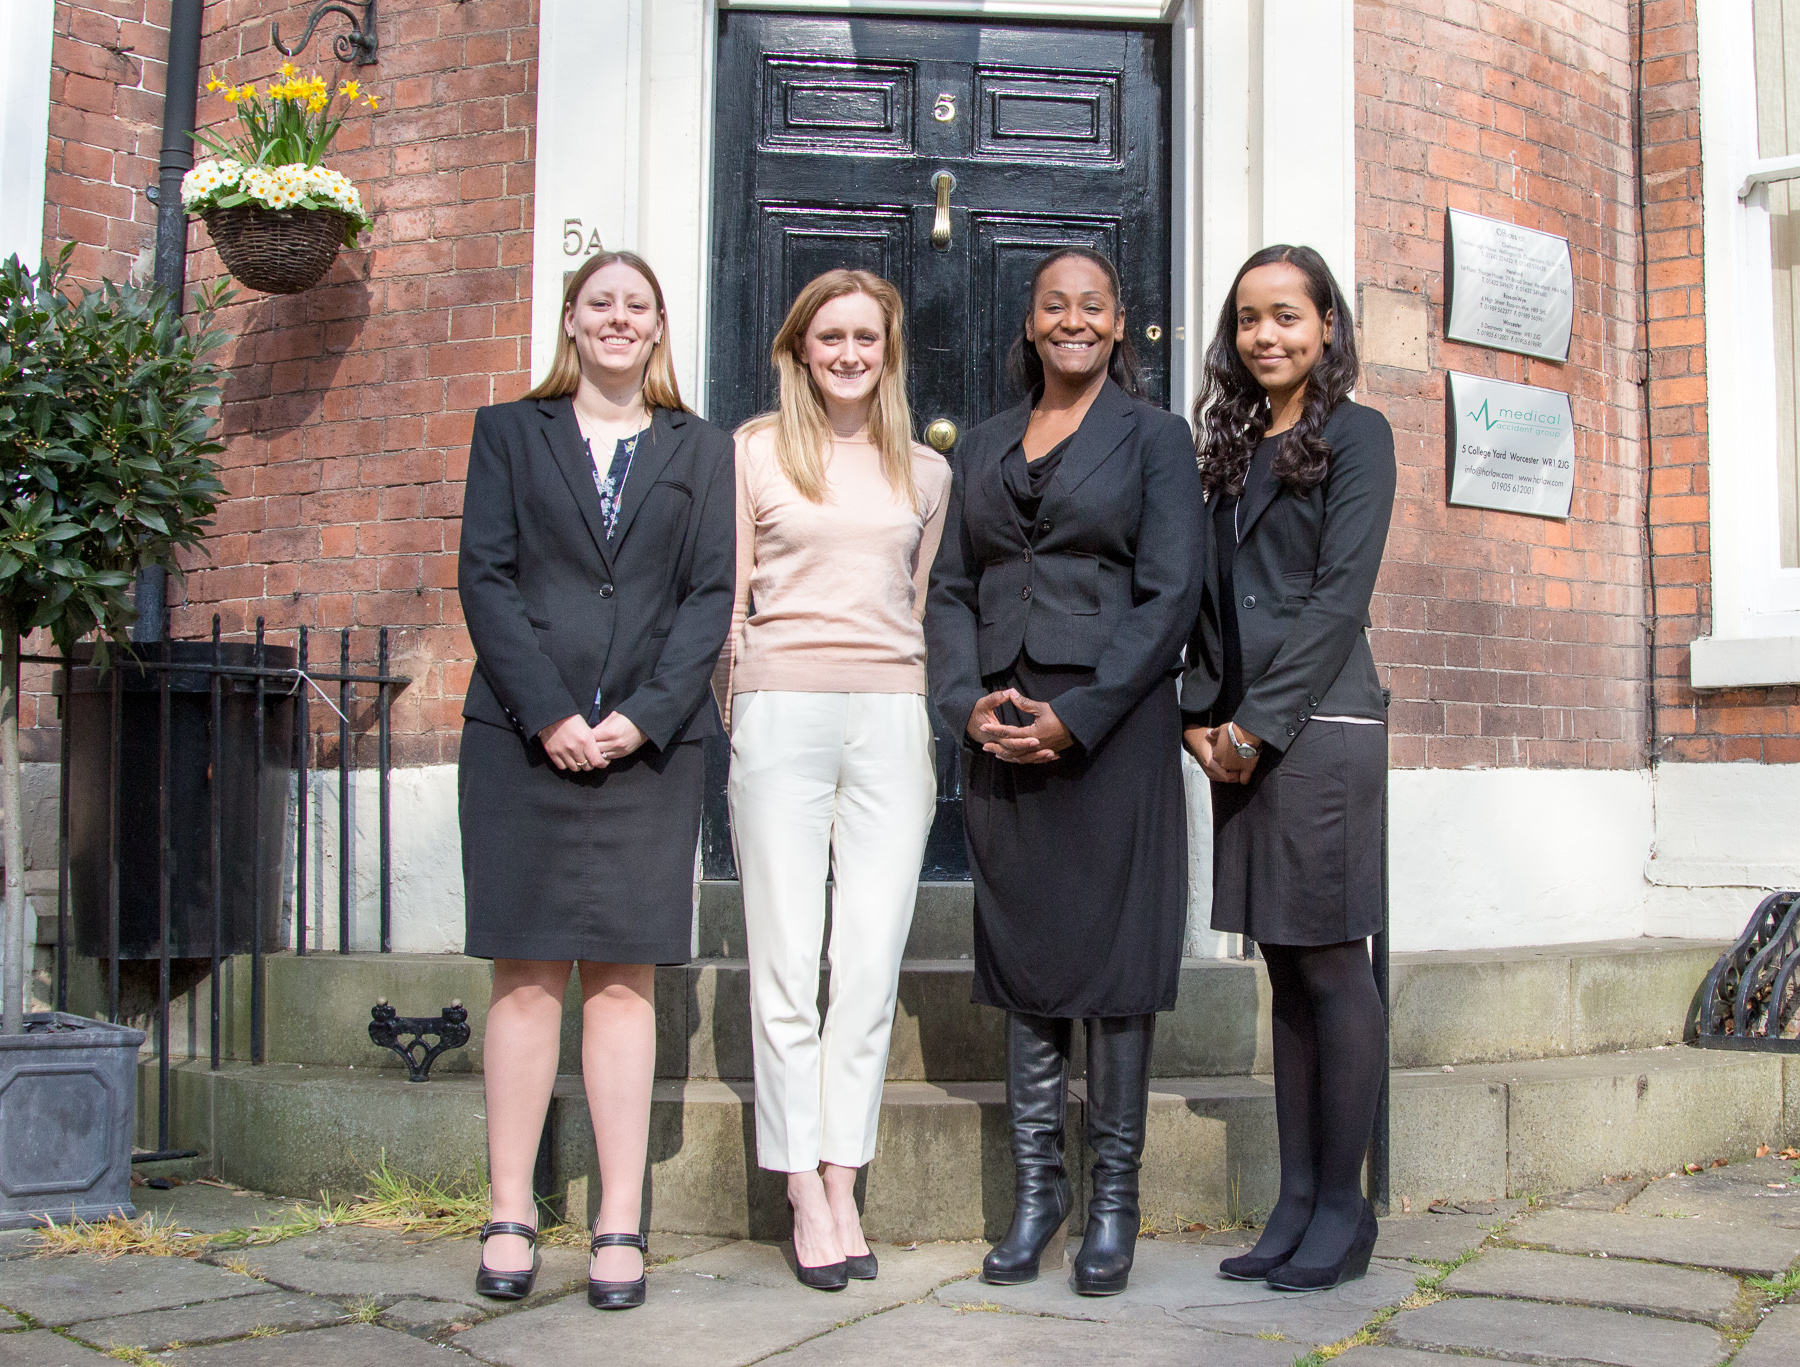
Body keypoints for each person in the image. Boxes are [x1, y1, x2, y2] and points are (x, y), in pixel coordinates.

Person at [456, 250, 734, 1312]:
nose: (619, 319)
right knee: (525, 976)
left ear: (659, 330)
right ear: (571, 321)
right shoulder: (508, 433)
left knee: (625, 978)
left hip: (650, 751)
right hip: (522, 740)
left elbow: (709, 596)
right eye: (600, 303)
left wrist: (641, 717)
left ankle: (620, 1218)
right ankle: (511, 1206)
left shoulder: (702, 448)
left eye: (639, 306)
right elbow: (485, 575)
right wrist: (555, 714)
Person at [926, 247, 1206, 1296]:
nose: (1074, 320)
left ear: (1119, 325)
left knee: (1117, 966)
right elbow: (951, 588)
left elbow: (1170, 593)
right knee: (1027, 962)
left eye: (1093, 305)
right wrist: (965, 703)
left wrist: (1077, 716)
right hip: (1003, 727)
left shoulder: (1156, 439)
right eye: (1056, 305)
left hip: (1110, 731)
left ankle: (1114, 1200)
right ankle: (1036, 1196)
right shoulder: (986, 443)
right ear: (1031, 324)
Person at [723, 269, 952, 1292]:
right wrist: (743, 709)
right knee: (786, 960)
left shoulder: (927, 473)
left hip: (889, 716)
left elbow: (914, 600)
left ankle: (843, 1171)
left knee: (866, 964)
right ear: (800, 349)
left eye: (867, 336)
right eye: (831, 337)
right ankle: (799, 1186)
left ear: (889, 350)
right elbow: (733, 599)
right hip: (783, 708)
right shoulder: (755, 451)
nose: (850, 352)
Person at [1182, 244, 1396, 1292]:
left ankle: (1346, 1205)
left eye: (1288, 316)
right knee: (1282, 964)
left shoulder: (1358, 436)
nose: (1267, 335)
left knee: (1330, 963)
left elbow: (1336, 597)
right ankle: (1296, 1195)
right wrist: (1197, 710)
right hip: (1242, 737)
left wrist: (1256, 724)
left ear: (1326, 326)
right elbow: (1212, 595)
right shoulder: (1224, 448)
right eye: (1250, 319)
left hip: (1322, 728)